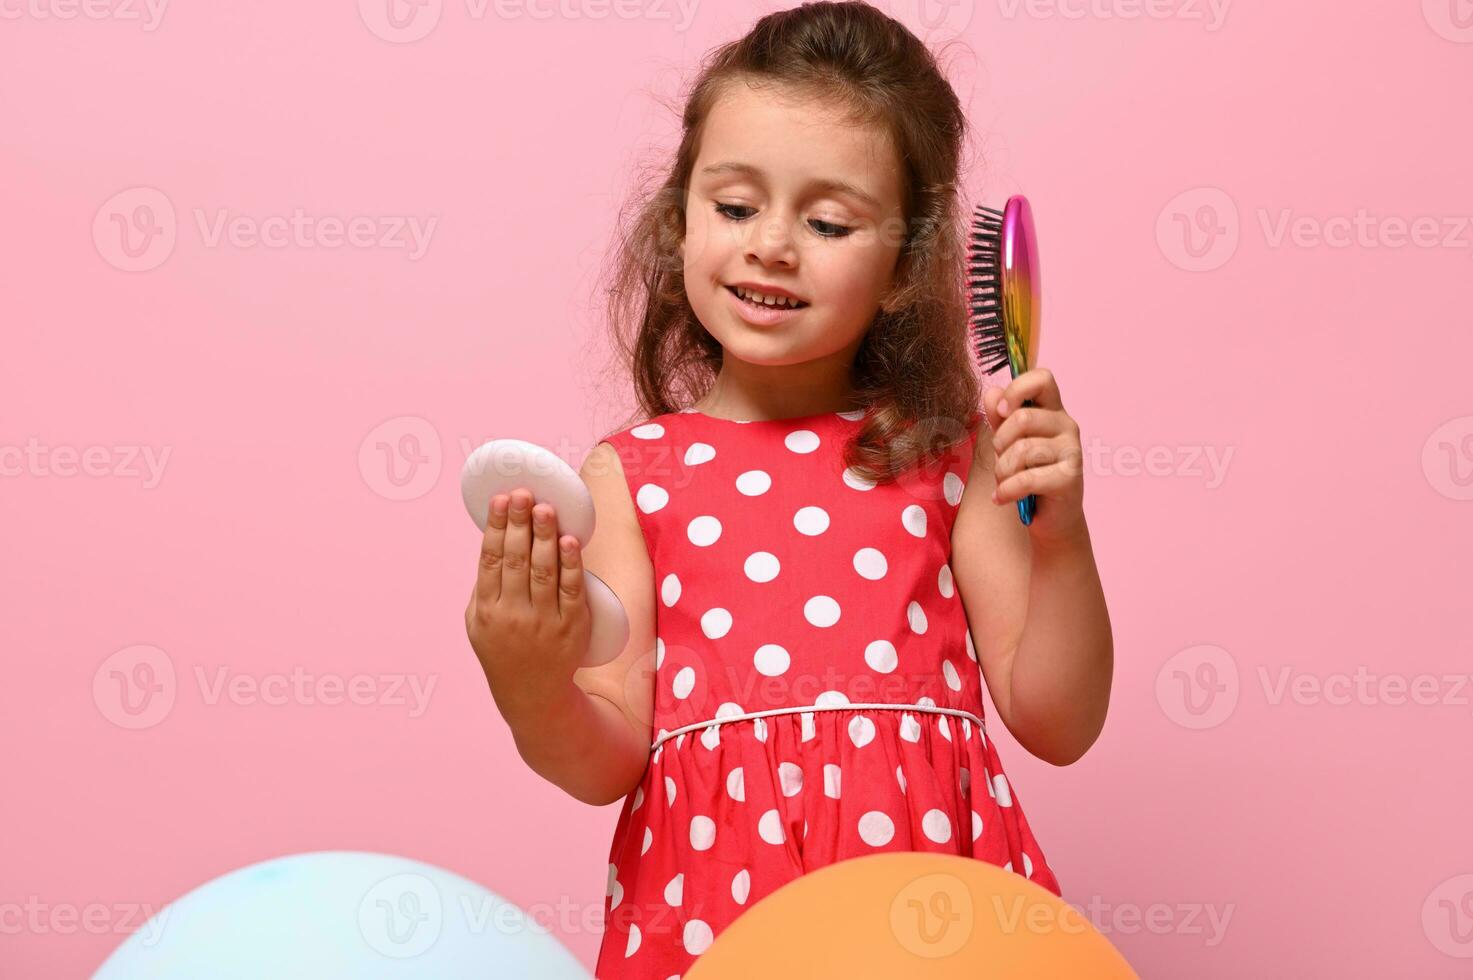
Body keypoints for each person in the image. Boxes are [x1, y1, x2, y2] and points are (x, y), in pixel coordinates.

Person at [464, 3, 1113, 975]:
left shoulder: (944, 455)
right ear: (676, 220)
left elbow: (1059, 718)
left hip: (930, 930)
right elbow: (603, 760)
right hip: (715, 923)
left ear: (904, 263)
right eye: (733, 207)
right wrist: (529, 680)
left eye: (827, 220)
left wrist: (1062, 537)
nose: (771, 243)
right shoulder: (633, 477)